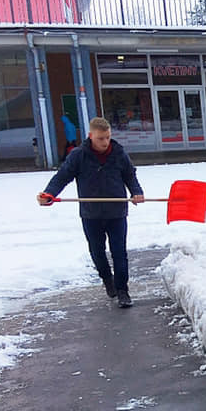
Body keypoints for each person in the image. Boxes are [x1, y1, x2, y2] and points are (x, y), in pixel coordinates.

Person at [37, 117, 145, 308]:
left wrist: (136, 192)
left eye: (108, 137)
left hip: (116, 212)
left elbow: (129, 174)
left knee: (119, 252)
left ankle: (122, 290)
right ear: (91, 136)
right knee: (97, 252)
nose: (105, 142)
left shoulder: (118, 153)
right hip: (91, 214)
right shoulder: (79, 155)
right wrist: (49, 194)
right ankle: (107, 280)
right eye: (101, 138)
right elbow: (62, 177)